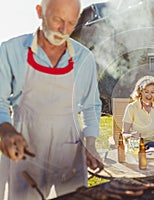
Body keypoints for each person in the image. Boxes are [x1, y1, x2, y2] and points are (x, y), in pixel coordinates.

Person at [0, 0, 104, 199]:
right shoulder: (10, 51)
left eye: (71, 23)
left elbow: (91, 106)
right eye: (58, 19)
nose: (64, 29)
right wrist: (5, 130)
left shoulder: (84, 58)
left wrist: (90, 144)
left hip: (70, 151)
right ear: (40, 12)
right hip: (25, 149)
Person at [122, 75, 154, 148]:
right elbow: (124, 134)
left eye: (152, 92)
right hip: (136, 146)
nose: (149, 95)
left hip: (153, 146)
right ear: (140, 91)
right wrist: (131, 135)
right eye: (146, 92)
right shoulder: (131, 108)